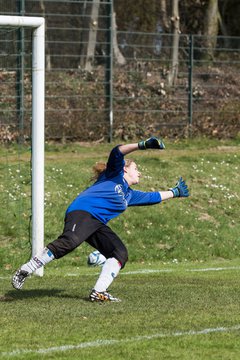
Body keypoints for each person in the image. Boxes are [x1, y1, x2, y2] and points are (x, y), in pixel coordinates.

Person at [12, 137, 189, 302]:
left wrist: (174, 192)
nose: (140, 173)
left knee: (119, 254)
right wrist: (142, 145)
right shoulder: (114, 174)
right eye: (136, 169)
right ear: (125, 169)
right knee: (69, 242)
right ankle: (25, 270)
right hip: (82, 212)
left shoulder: (129, 195)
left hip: (96, 224)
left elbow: (153, 197)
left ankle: (98, 292)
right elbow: (117, 152)